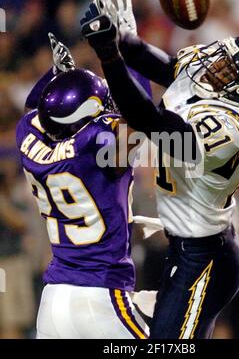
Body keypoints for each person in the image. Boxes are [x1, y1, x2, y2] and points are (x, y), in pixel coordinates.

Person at [80, 0, 239, 339]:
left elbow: (150, 121)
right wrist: (124, 40)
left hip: (205, 257)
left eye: (228, 70)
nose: (215, 66)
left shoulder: (230, 129)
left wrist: (110, 57)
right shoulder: (213, 82)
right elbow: (167, 67)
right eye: (224, 59)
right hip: (185, 245)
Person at [16, 26, 151, 338]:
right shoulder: (97, 144)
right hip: (100, 296)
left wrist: (55, 76)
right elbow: (142, 118)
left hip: (52, 301)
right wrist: (128, 54)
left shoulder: (27, 133)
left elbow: (36, 106)